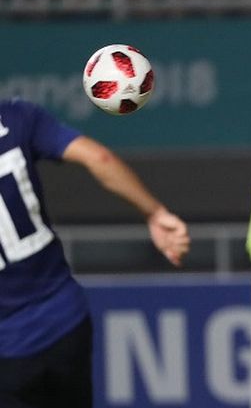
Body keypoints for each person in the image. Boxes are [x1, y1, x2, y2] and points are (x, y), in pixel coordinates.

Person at [0, 98, 190, 408]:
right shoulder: (16, 116)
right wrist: (154, 212)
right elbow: (99, 158)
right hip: (65, 320)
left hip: (7, 350)